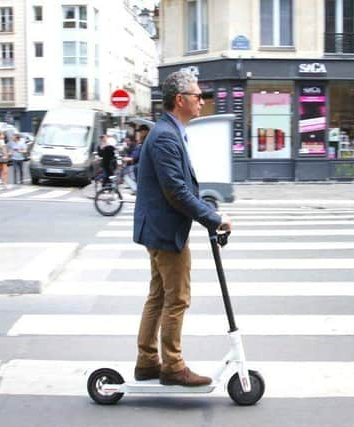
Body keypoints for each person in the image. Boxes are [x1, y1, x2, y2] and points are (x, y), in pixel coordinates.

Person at [133, 70, 231, 387]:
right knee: (177, 299)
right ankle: (172, 366)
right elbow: (175, 192)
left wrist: (207, 209)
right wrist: (213, 218)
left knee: (159, 297)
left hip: (160, 228)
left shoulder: (170, 132)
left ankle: (148, 361)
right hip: (165, 230)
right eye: (197, 96)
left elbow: (180, 186)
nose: (201, 101)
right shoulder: (164, 136)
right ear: (180, 100)